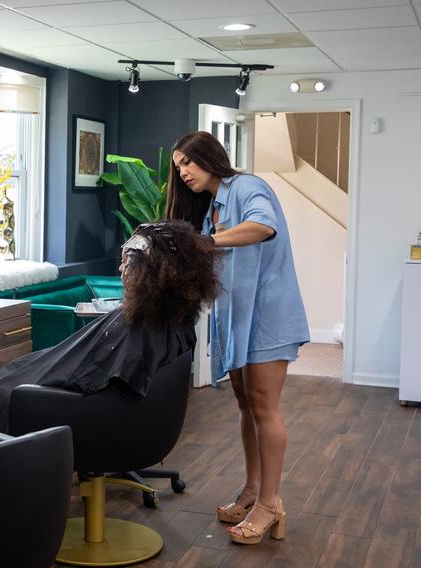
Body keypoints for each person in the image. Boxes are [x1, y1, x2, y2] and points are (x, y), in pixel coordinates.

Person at [165, 131, 309, 545]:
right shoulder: (213, 206)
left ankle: (270, 504)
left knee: (265, 407)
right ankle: (251, 490)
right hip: (239, 317)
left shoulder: (247, 187)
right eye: (178, 167)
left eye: (187, 162)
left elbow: (263, 226)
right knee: (247, 407)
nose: (183, 172)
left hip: (267, 315)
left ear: (209, 157)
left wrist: (206, 241)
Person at [0, 221, 218, 433]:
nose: (120, 268)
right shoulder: (174, 317)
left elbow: (95, 375)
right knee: (17, 368)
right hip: (134, 420)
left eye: (127, 262)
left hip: (91, 415)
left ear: (149, 270)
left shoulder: (142, 326)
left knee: (1, 390)